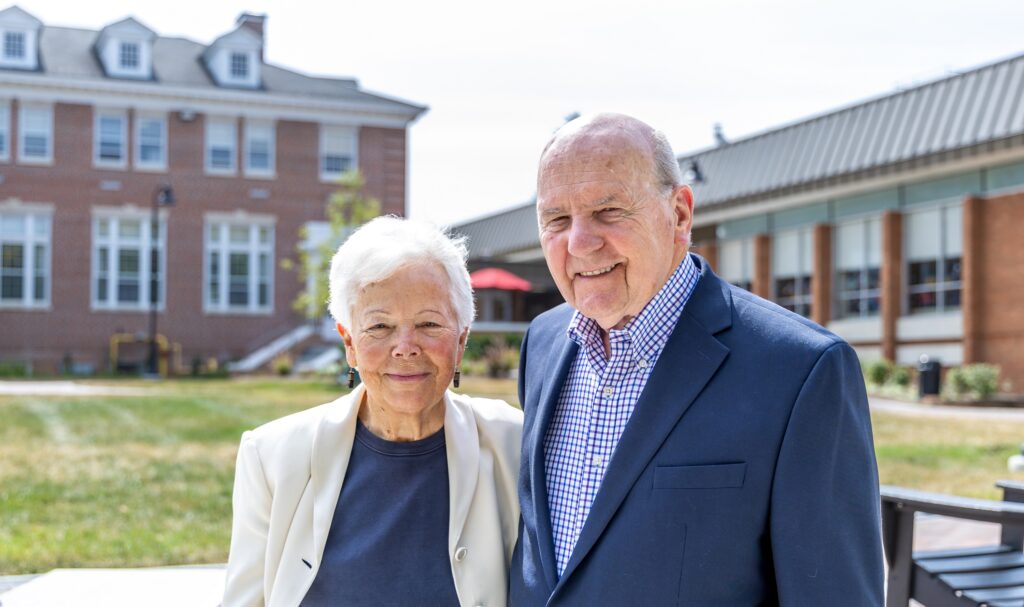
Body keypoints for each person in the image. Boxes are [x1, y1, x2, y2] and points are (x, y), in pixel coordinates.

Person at [510, 113, 883, 605]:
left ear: (680, 215)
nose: (579, 242)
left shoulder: (801, 371)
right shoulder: (542, 340)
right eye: (557, 219)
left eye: (609, 211)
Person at [222, 216, 523, 607]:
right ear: (349, 342)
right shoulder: (272, 456)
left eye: (429, 324)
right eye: (379, 327)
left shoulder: (515, 447)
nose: (405, 347)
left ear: (461, 339)